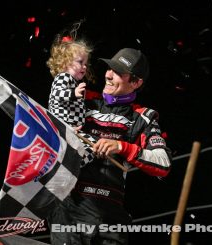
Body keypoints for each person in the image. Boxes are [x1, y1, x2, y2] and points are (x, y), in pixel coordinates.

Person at [47, 48, 172, 245]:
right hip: (69, 207)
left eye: (119, 72)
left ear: (136, 82)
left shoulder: (143, 116)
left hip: (110, 217)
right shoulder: (83, 98)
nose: (109, 75)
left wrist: (122, 147)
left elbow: (163, 164)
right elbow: (47, 123)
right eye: (109, 68)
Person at [47, 30, 96, 166]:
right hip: (63, 126)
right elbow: (57, 94)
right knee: (92, 147)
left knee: (92, 148)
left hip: (71, 128)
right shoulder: (63, 77)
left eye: (86, 63)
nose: (84, 67)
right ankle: (68, 166)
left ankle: (70, 166)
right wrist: (73, 94)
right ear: (64, 62)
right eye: (80, 62)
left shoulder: (73, 81)